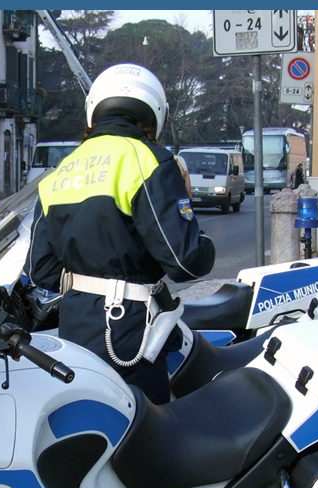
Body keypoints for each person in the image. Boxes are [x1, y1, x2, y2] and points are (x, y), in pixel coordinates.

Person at [25, 63, 215, 404]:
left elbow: (41, 269)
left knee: (92, 418)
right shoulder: (149, 161)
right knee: (146, 433)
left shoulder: (62, 170)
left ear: (94, 110)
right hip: (128, 329)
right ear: (154, 111)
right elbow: (185, 262)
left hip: (75, 323)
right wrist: (204, 245)